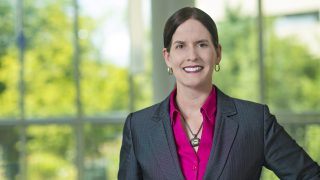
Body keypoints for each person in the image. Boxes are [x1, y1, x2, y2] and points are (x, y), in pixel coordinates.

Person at [118, 7, 320, 180]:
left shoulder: (255, 121)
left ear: (218, 53)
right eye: (180, 46)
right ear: (168, 57)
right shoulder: (139, 128)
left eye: (202, 44)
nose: (192, 56)